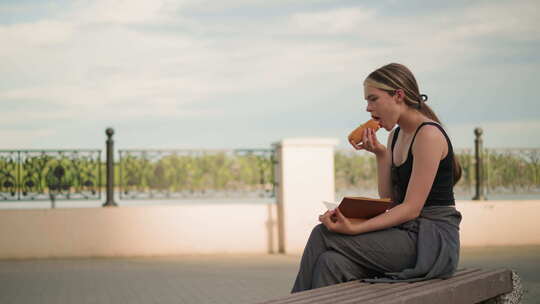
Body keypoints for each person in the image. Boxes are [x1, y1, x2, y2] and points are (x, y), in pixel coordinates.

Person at [291, 63, 463, 292]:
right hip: (406, 235)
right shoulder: (397, 135)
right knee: (330, 263)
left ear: (398, 96)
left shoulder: (428, 135)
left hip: (431, 242)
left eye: (373, 99)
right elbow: (390, 200)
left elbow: (411, 209)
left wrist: (354, 230)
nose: (368, 108)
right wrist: (381, 155)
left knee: (322, 234)